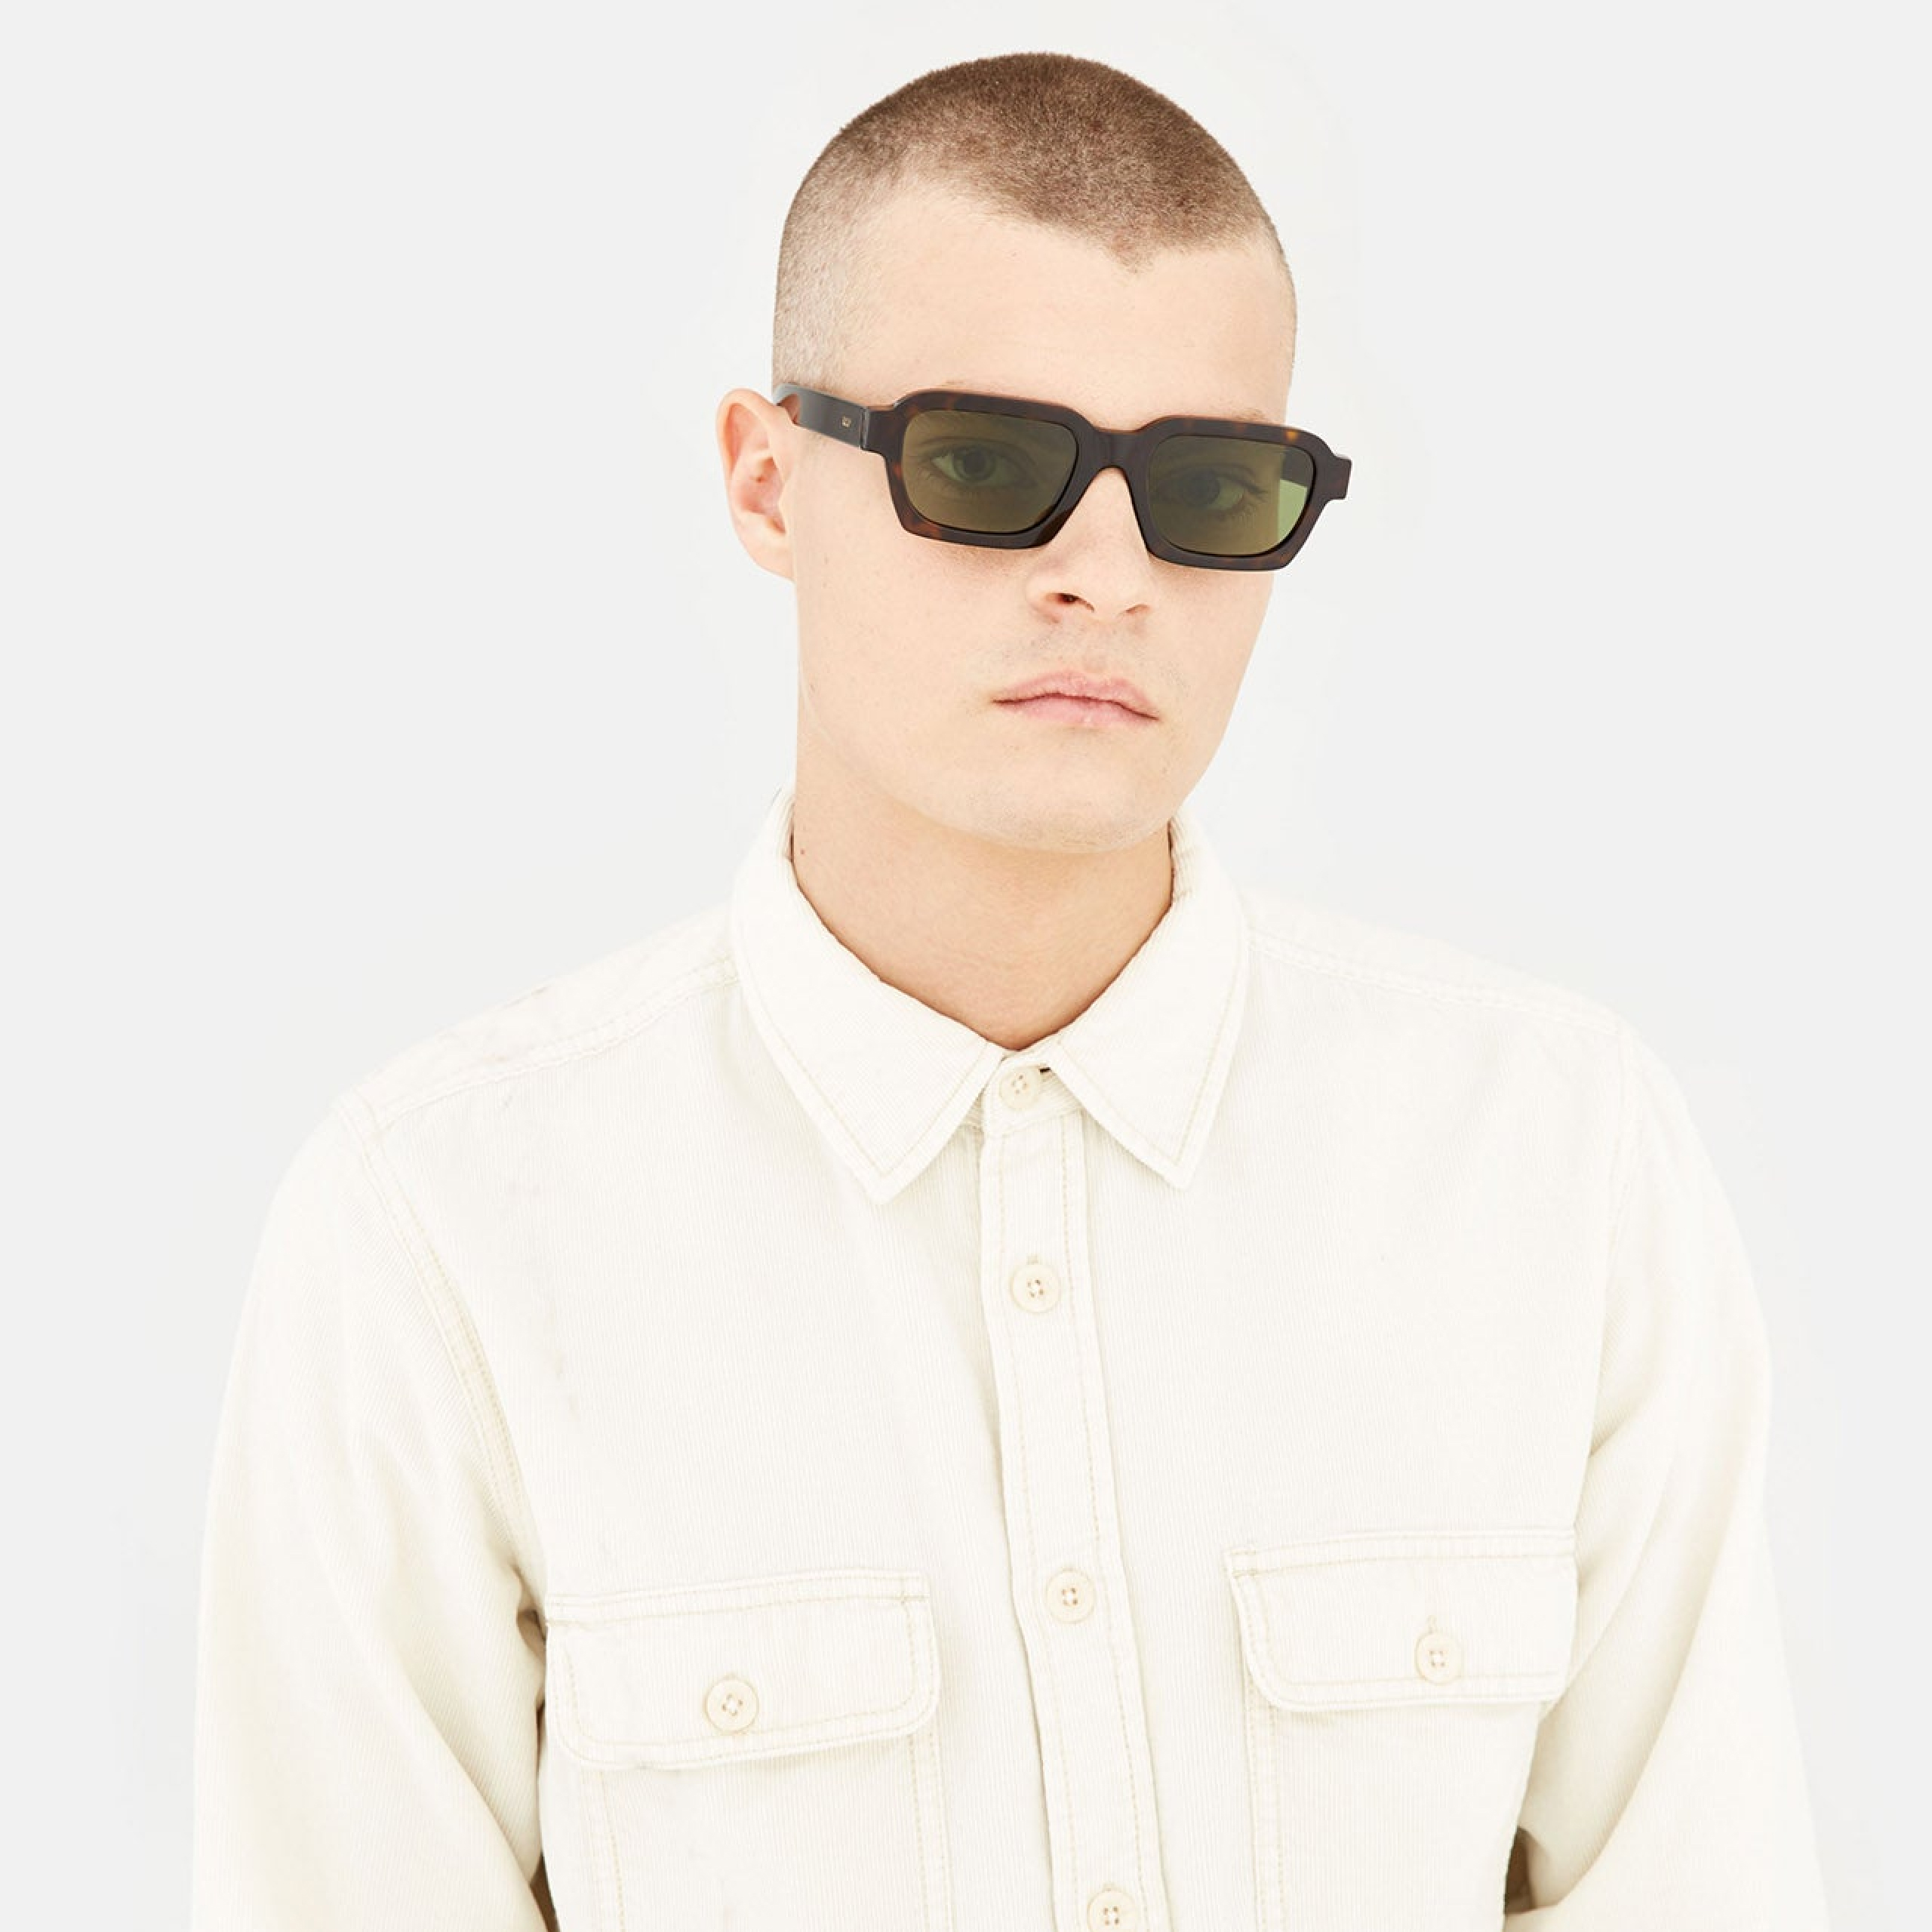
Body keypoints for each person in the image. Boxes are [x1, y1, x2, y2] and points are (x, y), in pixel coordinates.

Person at [190, 50, 1829, 1932]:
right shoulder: (442, 1229)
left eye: (1207, 485)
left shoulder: (1554, 1166)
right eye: (982, 463)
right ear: (764, 482)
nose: (1105, 575)